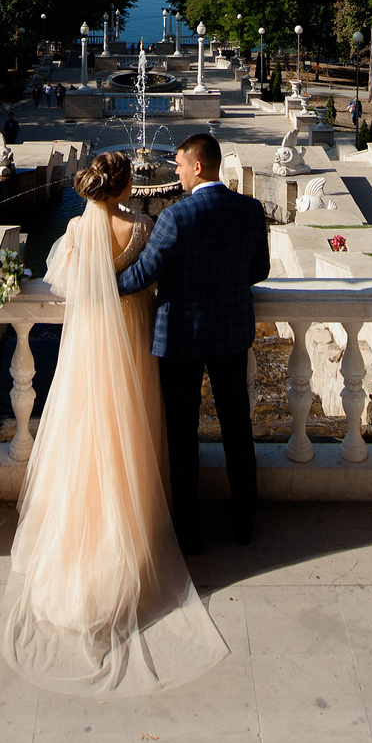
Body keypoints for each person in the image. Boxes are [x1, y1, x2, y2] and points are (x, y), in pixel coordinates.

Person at [0, 152, 228, 696]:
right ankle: (137, 525)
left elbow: (63, 283)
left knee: (83, 428)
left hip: (88, 340)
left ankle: (82, 533)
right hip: (130, 333)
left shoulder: (76, 228)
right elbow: (154, 275)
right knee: (133, 426)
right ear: (126, 186)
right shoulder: (144, 224)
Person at [116, 131, 267, 552]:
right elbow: (261, 269)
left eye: (180, 165)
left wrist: (102, 284)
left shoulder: (176, 217)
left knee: (182, 434)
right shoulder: (251, 211)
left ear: (198, 166)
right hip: (231, 334)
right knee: (238, 427)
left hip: (180, 337)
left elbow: (143, 274)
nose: (177, 172)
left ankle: (188, 530)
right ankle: (243, 521)